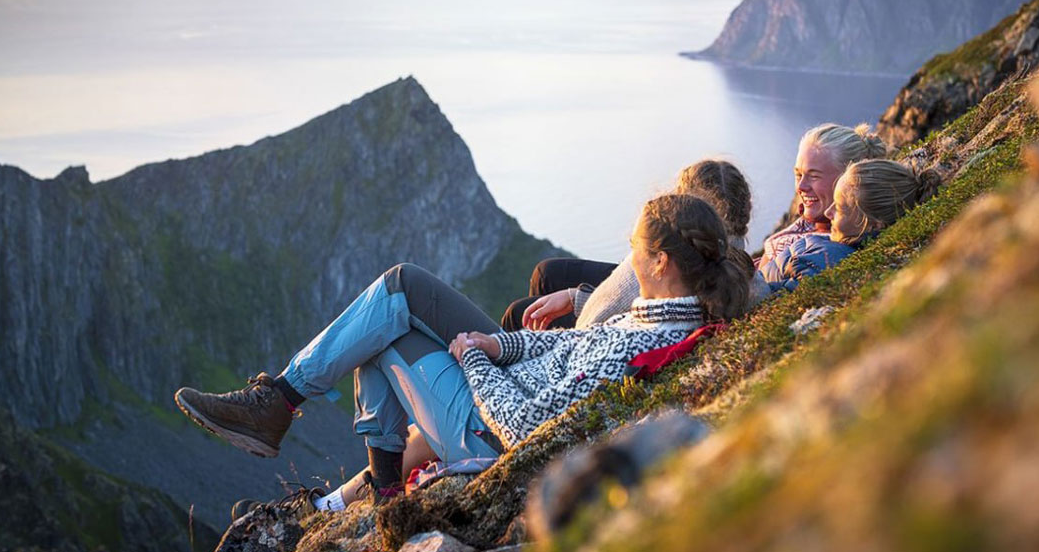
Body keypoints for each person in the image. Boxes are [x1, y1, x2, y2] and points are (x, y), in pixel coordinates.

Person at [174, 193, 751, 512]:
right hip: (507, 385)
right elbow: (570, 343)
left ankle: (287, 410)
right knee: (394, 299)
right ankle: (328, 441)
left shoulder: (644, 338)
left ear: (661, 263)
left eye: (634, 249)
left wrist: (474, 360)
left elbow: (524, 425)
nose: (628, 256)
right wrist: (497, 343)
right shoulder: (660, 318)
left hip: (489, 431)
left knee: (386, 319)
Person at [506, 159, 764, 332]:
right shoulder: (744, 274)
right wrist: (576, 297)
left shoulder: (658, 266)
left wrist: (578, 302)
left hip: (607, 329)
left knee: (520, 311)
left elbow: (596, 319)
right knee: (548, 272)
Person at [762, 158, 941, 290]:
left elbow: (766, 300)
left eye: (839, 208)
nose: (828, 213)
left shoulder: (826, 259)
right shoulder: (833, 245)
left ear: (873, 225)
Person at [759, 123, 888, 267]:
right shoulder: (811, 227)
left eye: (814, 176)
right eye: (798, 175)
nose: (801, 187)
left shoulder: (823, 252)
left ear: (851, 179)